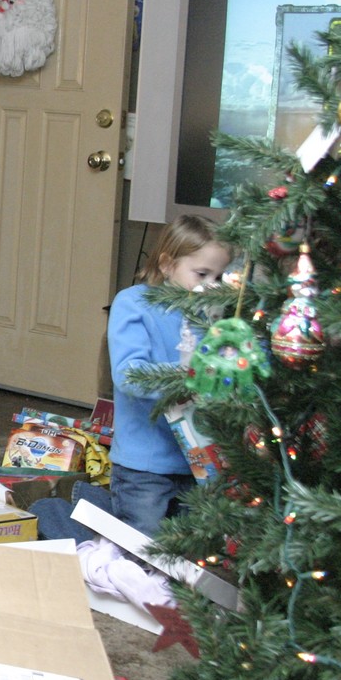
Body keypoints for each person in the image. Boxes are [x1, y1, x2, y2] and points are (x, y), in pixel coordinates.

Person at [107, 213, 231, 538]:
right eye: (201, 274)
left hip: (200, 463)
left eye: (219, 276)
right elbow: (128, 375)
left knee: (194, 546)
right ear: (166, 264)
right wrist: (191, 377)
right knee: (141, 542)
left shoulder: (213, 317)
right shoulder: (134, 303)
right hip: (144, 465)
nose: (212, 286)